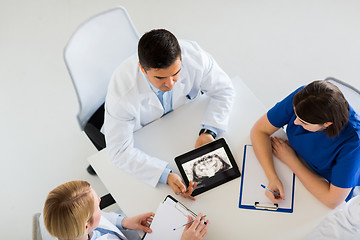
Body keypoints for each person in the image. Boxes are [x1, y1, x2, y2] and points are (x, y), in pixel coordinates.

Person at [103, 29, 234, 199]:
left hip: (181, 124)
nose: (170, 84)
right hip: (147, 138)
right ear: (142, 69)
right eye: (160, 78)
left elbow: (224, 90)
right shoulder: (122, 93)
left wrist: (209, 131)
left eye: (176, 74)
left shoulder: (195, 57)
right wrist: (164, 175)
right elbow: (119, 151)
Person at [250, 80, 360, 209]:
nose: (295, 122)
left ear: (327, 124)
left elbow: (332, 201)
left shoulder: (353, 143)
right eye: (296, 115)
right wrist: (272, 177)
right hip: (295, 166)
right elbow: (259, 130)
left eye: (303, 122)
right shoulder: (304, 98)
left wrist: (291, 160)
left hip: (324, 183)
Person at [43, 180, 210, 240]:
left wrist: (124, 222)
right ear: (86, 226)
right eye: (98, 205)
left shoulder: (76, 230)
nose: (101, 201)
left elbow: (102, 219)